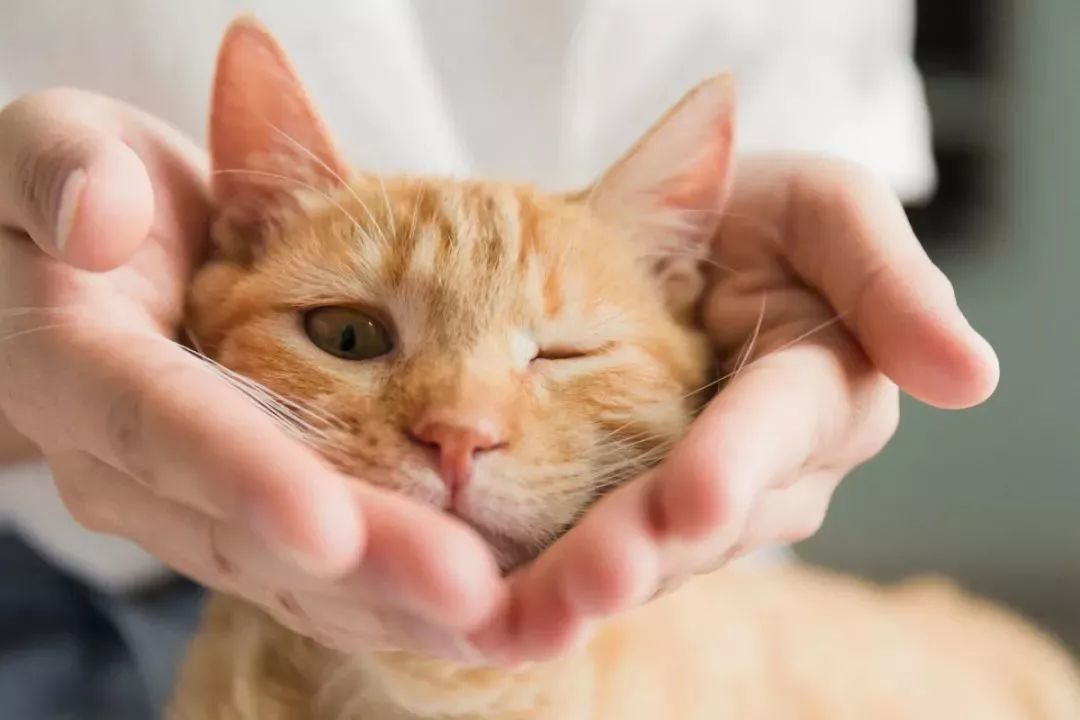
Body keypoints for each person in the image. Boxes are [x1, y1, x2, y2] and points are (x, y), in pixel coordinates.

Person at [0, 1, 999, 717]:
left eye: (562, 353)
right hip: (73, 579)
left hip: (690, 592)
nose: (459, 427)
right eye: (351, 335)